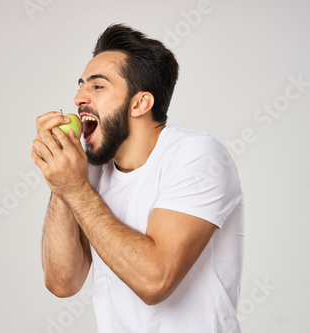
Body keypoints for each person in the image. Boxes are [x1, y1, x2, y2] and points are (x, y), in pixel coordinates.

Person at [31, 23, 244, 333]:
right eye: (80, 85)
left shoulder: (197, 155)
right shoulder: (90, 170)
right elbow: (63, 282)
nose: (78, 97)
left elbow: (154, 281)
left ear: (140, 103)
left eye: (98, 86)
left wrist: (75, 189)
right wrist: (59, 183)